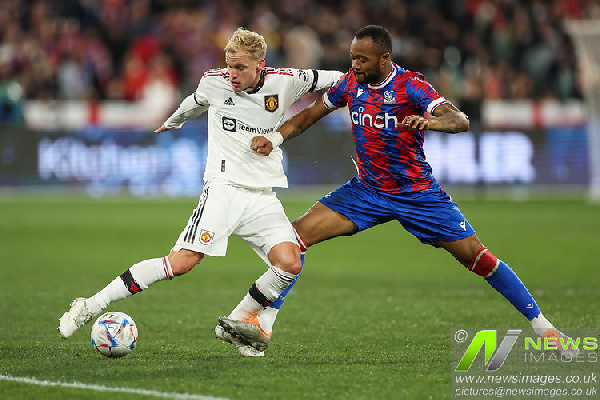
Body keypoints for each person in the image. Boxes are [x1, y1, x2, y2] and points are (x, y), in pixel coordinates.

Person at [225, 25, 578, 357]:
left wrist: (431, 121)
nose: (354, 65)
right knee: (293, 240)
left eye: (361, 59)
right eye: (352, 57)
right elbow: (308, 116)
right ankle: (264, 322)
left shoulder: (411, 86)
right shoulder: (350, 84)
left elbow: (460, 120)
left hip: (417, 195)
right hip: (366, 192)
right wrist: (275, 138)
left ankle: (543, 327)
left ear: (384, 59)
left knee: (477, 257)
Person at [58, 27, 343, 357]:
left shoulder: (287, 80)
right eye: (229, 65)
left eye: (240, 67)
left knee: (290, 262)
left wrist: (374, 81)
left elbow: (336, 79)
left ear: (260, 64)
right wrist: (173, 122)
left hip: (263, 196)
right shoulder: (214, 81)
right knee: (180, 264)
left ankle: (242, 321)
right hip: (222, 191)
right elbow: (193, 103)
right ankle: (90, 305)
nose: (232, 74)